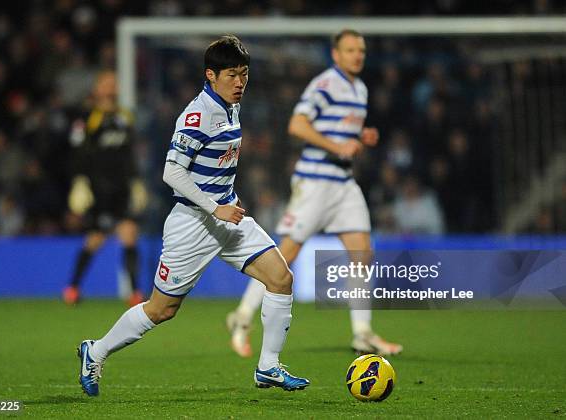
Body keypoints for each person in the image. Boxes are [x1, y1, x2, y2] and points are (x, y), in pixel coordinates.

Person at [77, 36, 310, 396]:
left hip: (228, 217)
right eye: (232, 75)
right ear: (211, 75)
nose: (240, 83)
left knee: (280, 278)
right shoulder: (197, 115)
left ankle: (268, 367)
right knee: (161, 310)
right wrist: (214, 206)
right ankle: (96, 351)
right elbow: (172, 172)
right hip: (193, 223)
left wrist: (222, 204)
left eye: (244, 74)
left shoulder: (231, 105)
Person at [226, 29, 403, 357]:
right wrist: (337, 145)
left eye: (361, 49)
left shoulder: (359, 88)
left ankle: (362, 333)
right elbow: (298, 125)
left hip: (344, 184)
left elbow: (340, 132)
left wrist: (360, 137)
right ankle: (242, 317)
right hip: (315, 182)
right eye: (350, 50)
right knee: (285, 255)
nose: (357, 55)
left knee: (362, 252)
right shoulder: (325, 84)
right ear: (336, 55)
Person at [62, 70, 147, 307]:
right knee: (95, 239)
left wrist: (136, 182)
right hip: (99, 189)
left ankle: (134, 293)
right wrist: (79, 181)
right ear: (97, 89)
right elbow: (78, 152)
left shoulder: (125, 116)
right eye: (106, 84)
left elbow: (130, 154)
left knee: (129, 234)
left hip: (121, 188)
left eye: (114, 84)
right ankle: (72, 288)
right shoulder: (87, 117)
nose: (111, 88)